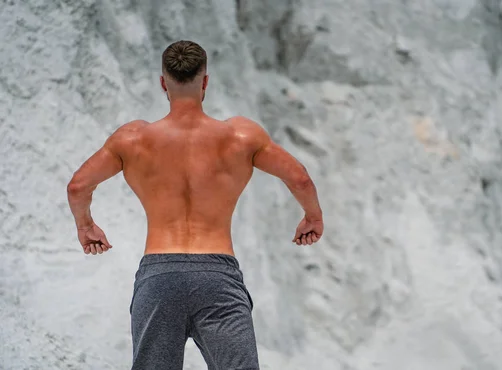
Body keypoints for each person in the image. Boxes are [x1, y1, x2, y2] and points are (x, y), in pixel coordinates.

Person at [66, 40, 324, 370]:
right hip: (218, 277)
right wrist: (311, 217)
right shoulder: (241, 137)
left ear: (163, 83)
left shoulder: (132, 140)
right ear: (205, 82)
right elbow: (300, 178)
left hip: (159, 277)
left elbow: (77, 186)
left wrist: (86, 226)